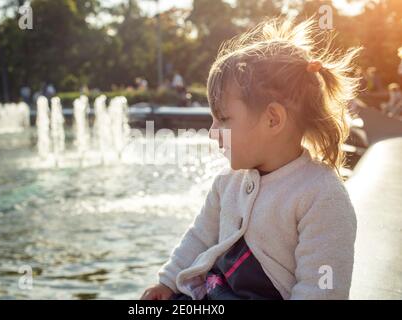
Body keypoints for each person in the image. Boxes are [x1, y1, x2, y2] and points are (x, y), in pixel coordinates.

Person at [141, 18, 358, 300]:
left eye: (223, 119)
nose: (212, 133)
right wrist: (168, 283)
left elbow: (322, 288)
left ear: (272, 119)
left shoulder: (321, 196)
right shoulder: (227, 182)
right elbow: (199, 237)